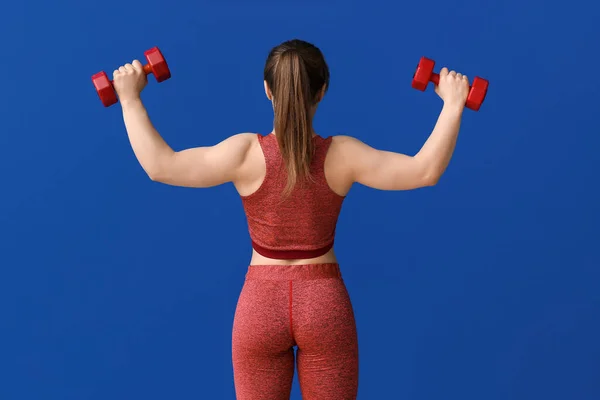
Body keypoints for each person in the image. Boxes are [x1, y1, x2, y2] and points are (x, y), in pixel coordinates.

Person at [112, 39, 470, 400]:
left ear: (267, 90)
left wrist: (129, 99)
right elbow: (424, 171)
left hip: (259, 307)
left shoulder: (244, 153)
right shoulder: (342, 154)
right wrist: (453, 105)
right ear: (323, 91)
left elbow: (161, 166)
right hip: (324, 305)